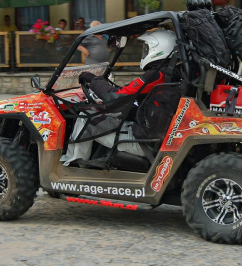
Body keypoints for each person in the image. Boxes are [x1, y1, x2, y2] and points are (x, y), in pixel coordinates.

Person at [61, 29, 177, 166]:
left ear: (158, 49)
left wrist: (94, 80)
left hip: (144, 141)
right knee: (108, 114)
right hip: (153, 132)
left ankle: (73, 164)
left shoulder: (156, 75)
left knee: (84, 116)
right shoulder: (170, 73)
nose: (144, 51)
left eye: (147, 48)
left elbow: (115, 97)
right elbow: (128, 93)